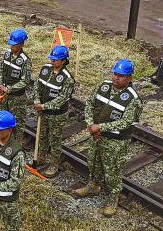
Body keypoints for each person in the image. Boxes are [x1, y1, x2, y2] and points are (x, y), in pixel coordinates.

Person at [74, 59, 143, 217]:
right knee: (93, 162)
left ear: (129, 78)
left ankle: (113, 198)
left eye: (121, 76)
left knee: (112, 170)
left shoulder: (133, 99)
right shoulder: (103, 86)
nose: (116, 78)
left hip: (115, 141)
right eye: (115, 74)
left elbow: (126, 122)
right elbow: (90, 104)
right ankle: (93, 186)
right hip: (95, 135)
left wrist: (100, 128)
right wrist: (92, 125)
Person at [33, 45, 75, 178]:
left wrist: (44, 106)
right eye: (52, 59)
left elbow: (62, 99)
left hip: (57, 115)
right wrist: (37, 101)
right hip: (43, 111)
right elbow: (36, 85)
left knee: (54, 140)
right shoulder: (45, 69)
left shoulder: (67, 78)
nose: (52, 62)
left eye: (56, 60)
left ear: (63, 61)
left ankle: (54, 164)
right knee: (42, 136)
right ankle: (40, 158)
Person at [0, 29, 32, 144]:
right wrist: (0, 83)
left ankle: (16, 144)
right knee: (2, 119)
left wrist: (9, 89)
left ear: (21, 44)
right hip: (4, 94)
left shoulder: (25, 61)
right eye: (10, 44)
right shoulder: (7, 54)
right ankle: (3, 140)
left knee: (17, 123)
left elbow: (25, 81)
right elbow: (1, 70)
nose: (12, 47)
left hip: (17, 98)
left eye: (14, 45)